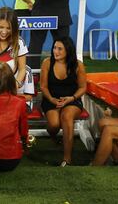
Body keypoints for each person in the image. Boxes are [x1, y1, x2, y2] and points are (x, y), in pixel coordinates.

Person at [40, 37, 86, 166]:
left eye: (60, 49)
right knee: (54, 124)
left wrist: (72, 98)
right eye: (54, 48)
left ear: (68, 50)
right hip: (51, 99)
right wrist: (52, 99)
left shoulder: (78, 65)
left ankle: (67, 159)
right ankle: (54, 137)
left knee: (66, 117)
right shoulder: (47, 63)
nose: (56, 51)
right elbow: (43, 87)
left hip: (71, 99)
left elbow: (83, 87)